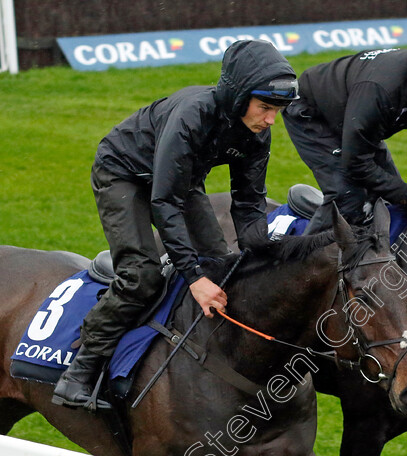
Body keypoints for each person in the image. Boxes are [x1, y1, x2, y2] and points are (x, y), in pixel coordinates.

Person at [52, 39, 299, 409]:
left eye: (276, 111)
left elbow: (249, 203)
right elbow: (163, 202)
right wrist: (194, 278)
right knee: (142, 276)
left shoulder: (257, 132)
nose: (269, 120)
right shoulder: (192, 114)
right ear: (238, 96)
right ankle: (80, 371)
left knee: (221, 262)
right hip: (124, 173)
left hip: (179, 179)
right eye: (264, 108)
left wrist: (265, 254)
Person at [282, 15, 407, 232]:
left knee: (389, 202)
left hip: (355, 118)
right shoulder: (382, 88)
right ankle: (296, 262)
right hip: (312, 113)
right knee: (348, 200)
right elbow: (356, 162)